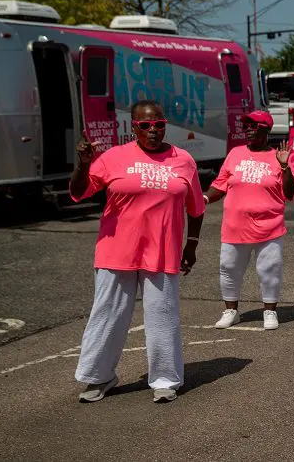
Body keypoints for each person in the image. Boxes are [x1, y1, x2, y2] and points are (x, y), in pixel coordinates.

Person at [69, 100, 205, 404]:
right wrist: (82, 164)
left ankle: (166, 378)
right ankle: (99, 376)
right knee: (107, 315)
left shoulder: (183, 160)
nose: (153, 130)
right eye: (145, 125)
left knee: (163, 316)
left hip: (162, 252)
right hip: (116, 250)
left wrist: (191, 245)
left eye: (159, 124)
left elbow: (196, 209)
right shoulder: (112, 158)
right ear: (134, 127)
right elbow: (78, 192)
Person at [205, 110, 294, 330]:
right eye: (247, 127)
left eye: (255, 127)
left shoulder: (277, 156)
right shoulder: (235, 153)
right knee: (228, 268)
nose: (249, 130)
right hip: (234, 226)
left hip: (269, 227)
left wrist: (284, 167)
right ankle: (231, 311)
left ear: (267, 130)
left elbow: (290, 192)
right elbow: (220, 184)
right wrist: (205, 198)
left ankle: (269, 311)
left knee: (269, 269)